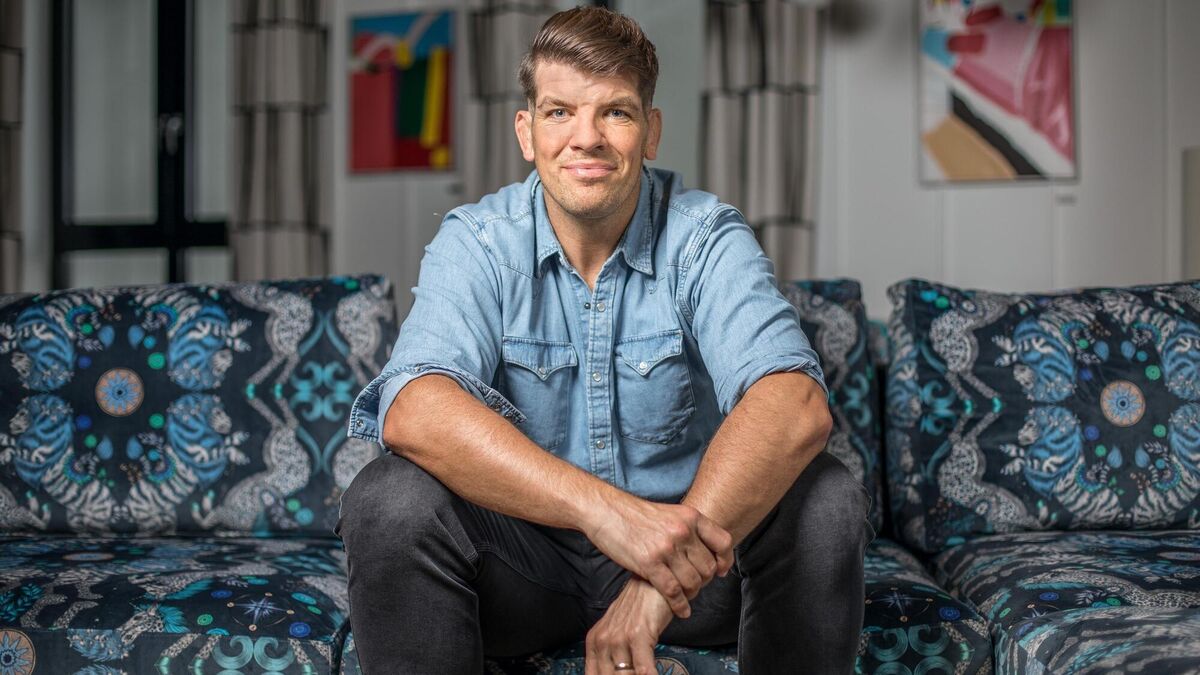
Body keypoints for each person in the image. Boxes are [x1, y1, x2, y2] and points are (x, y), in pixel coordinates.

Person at [338, 7, 871, 674]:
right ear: (527, 132)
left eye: (615, 112)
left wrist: (654, 585)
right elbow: (413, 408)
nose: (585, 138)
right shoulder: (477, 241)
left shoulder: (705, 237)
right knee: (387, 499)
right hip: (524, 573)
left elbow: (795, 405)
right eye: (560, 112)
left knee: (826, 498)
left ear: (651, 132)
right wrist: (605, 513)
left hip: (690, 574)